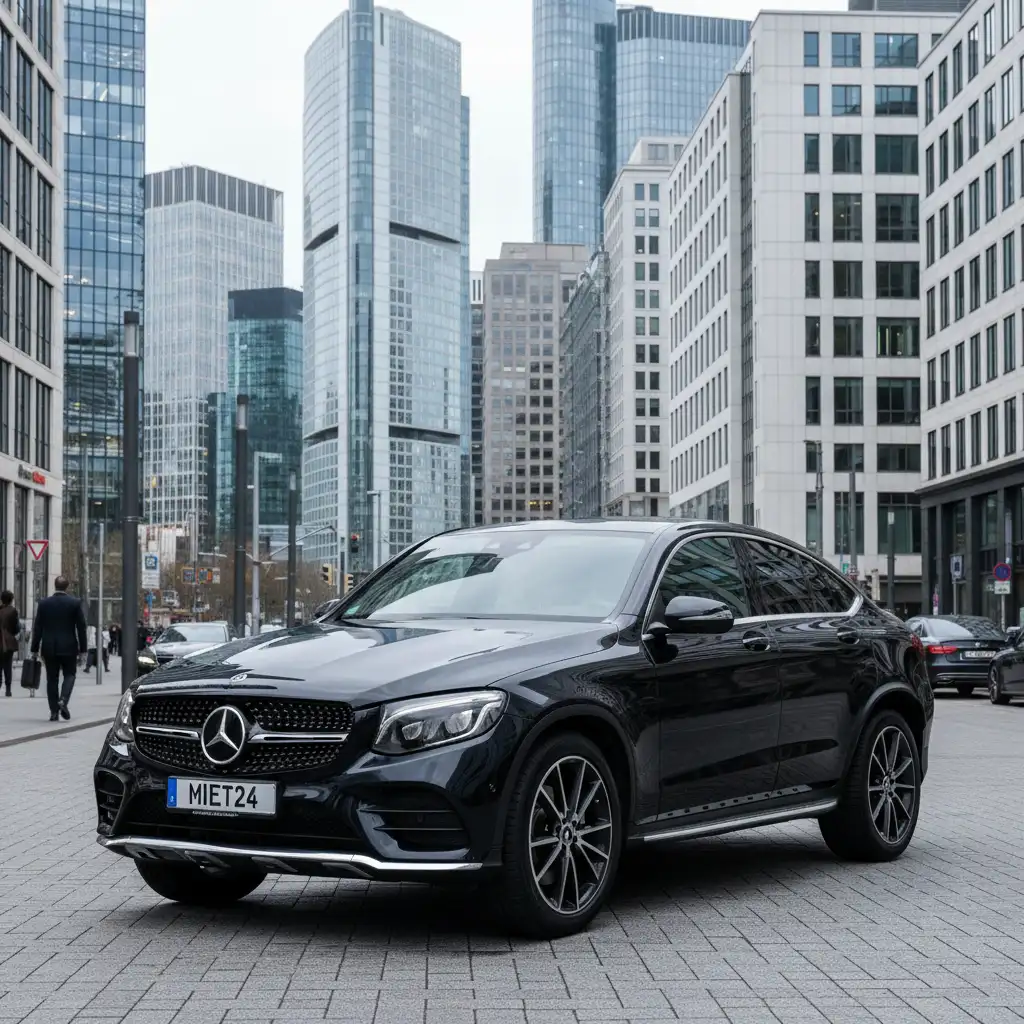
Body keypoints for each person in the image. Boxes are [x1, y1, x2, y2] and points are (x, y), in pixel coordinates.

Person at [30, 576, 87, 722]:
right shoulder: (74, 603)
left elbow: (38, 628)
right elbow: (81, 628)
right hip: (68, 646)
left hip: (49, 647)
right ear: (67, 587)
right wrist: (83, 649)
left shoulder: (44, 604)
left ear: (54, 586)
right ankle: (63, 699)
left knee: (51, 679)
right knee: (70, 674)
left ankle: (53, 712)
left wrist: (34, 648)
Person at [0, 590, 20, 697]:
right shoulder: (13, 611)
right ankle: (8, 689)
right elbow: (16, 628)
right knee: (8, 665)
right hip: (8, 641)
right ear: (11, 600)